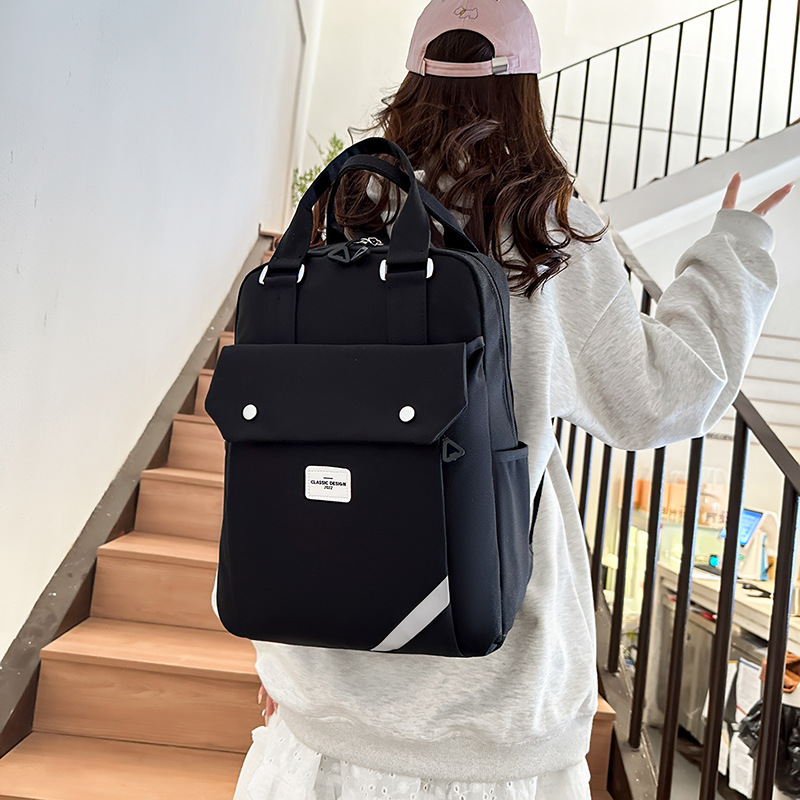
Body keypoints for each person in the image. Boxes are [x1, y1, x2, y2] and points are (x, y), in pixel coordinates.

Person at [223, 1, 793, 797]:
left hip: (325, 690)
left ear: (411, 82)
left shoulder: (339, 217)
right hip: (489, 702)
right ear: (525, 91)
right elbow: (660, 397)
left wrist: (285, 645)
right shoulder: (546, 234)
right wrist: (732, 251)